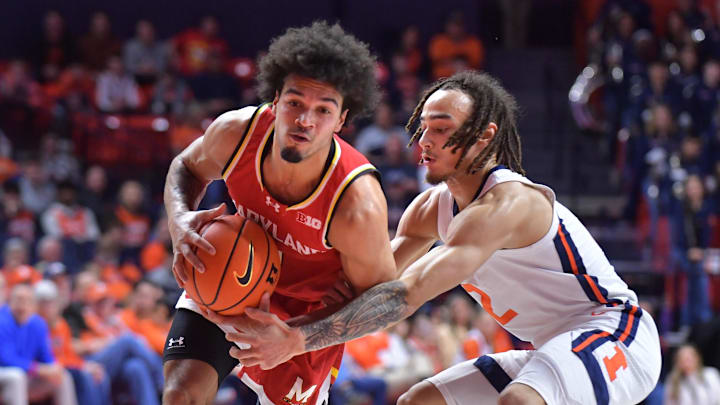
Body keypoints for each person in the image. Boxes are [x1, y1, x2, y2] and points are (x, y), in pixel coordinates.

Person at [212, 71, 662, 405]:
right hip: (550, 347)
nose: (424, 140)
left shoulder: (508, 204)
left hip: (614, 332)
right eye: (423, 126)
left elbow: (401, 297)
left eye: (442, 129)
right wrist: (283, 315)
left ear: (485, 137)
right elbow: (365, 286)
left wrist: (297, 340)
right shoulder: (429, 209)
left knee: (519, 403)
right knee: (417, 402)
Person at [162, 21, 396, 405]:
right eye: (295, 103)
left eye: (323, 110)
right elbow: (185, 167)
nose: (305, 120)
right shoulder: (236, 133)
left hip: (308, 317)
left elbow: (386, 301)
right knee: (180, 394)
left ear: (341, 121)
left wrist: (299, 339)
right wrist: (179, 220)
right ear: (275, 99)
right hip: (229, 274)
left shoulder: (356, 202)